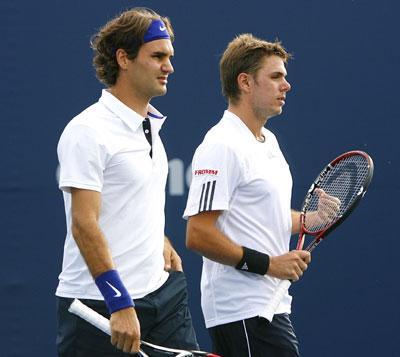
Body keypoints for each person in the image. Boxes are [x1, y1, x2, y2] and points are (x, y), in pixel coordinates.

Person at [56, 7, 198, 356]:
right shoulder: (87, 131)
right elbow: (84, 223)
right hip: (101, 305)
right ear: (124, 58)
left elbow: (132, 201)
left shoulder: (149, 125)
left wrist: (158, 239)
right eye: (158, 56)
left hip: (163, 296)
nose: (169, 67)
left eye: (170, 57)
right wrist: (119, 302)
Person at [183, 34, 311, 357]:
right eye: (276, 77)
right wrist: (270, 265)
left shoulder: (268, 142)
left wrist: (309, 219)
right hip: (240, 311)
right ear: (245, 82)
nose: (287, 85)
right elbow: (198, 234)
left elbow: (263, 217)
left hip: (271, 306)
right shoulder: (221, 145)